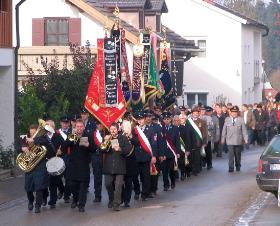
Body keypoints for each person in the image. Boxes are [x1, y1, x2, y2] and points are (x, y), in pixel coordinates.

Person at [20, 123, 56, 213]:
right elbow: (18, 149)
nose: (32, 135)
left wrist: (34, 139)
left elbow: (52, 152)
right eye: (31, 134)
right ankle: (31, 201)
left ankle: (37, 205)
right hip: (30, 166)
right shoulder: (25, 139)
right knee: (28, 187)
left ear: (38, 133)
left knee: (39, 186)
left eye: (34, 133)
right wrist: (23, 148)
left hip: (41, 165)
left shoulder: (44, 139)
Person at [63, 119, 97, 212]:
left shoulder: (88, 136)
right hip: (73, 164)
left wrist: (89, 145)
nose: (79, 128)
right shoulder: (71, 136)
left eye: (81, 126)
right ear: (75, 127)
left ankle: (81, 205)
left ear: (83, 127)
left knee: (83, 186)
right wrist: (72, 138)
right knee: (71, 185)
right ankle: (75, 198)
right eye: (77, 126)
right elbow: (64, 146)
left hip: (84, 165)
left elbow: (94, 149)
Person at [102, 123, 132, 211]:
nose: (113, 131)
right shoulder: (107, 137)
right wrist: (105, 142)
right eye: (111, 129)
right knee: (108, 184)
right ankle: (111, 199)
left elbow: (128, 150)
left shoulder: (123, 138)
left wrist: (120, 149)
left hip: (120, 165)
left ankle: (116, 203)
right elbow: (101, 149)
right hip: (108, 166)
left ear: (118, 129)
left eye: (114, 129)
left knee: (118, 185)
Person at [221, 106, 248, 173]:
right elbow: (224, 130)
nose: (234, 113)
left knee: (237, 154)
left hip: (238, 140)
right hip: (229, 140)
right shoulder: (227, 119)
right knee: (231, 155)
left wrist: (246, 139)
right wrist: (223, 138)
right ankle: (231, 167)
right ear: (230, 112)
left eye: (235, 112)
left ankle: (238, 166)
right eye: (233, 112)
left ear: (237, 113)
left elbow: (244, 130)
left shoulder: (240, 119)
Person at [45, 119, 65, 209]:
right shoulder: (43, 136)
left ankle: (52, 201)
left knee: (53, 182)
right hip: (44, 162)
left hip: (55, 161)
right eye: (47, 126)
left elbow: (64, 146)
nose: (49, 128)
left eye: (51, 126)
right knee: (52, 180)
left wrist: (61, 151)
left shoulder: (58, 136)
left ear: (53, 127)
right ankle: (62, 189)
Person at [161, 111, 181, 191]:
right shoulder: (161, 129)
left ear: (170, 120)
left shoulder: (175, 129)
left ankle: (173, 182)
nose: (166, 120)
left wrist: (178, 152)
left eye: (168, 119)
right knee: (164, 170)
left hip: (172, 153)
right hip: (164, 153)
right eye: (165, 119)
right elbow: (160, 142)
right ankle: (166, 185)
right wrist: (161, 153)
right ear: (163, 120)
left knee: (172, 170)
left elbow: (177, 141)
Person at [188, 106, 207, 176]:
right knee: (191, 156)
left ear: (198, 114)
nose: (195, 114)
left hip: (198, 142)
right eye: (194, 113)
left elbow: (204, 133)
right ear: (192, 113)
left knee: (197, 156)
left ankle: (196, 170)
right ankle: (192, 168)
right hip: (189, 142)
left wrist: (204, 142)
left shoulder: (202, 122)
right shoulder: (188, 121)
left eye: (197, 113)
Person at [91, 121, 106, 203]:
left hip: (107, 157)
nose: (99, 125)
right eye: (98, 124)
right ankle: (97, 196)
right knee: (97, 178)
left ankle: (112, 197)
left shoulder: (107, 133)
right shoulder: (93, 134)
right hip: (96, 157)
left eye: (101, 123)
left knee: (110, 179)